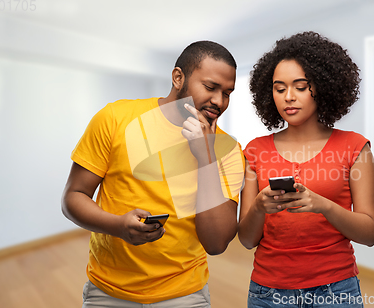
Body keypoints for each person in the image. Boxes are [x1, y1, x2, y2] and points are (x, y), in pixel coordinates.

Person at [62, 41, 244, 307]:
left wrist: (206, 156)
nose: (219, 101)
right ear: (178, 77)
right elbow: (73, 197)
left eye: (227, 93)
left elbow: (216, 243)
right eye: (210, 87)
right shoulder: (115, 118)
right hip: (108, 292)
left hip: (186, 295)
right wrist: (118, 227)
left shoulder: (228, 149)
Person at [238, 31, 374, 307]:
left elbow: (370, 233)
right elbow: (245, 239)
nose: (288, 97)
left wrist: (322, 205)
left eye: (300, 87)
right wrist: (258, 206)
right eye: (279, 89)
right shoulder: (255, 150)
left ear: (324, 86)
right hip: (269, 292)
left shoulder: (355, 147)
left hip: (336, 290)